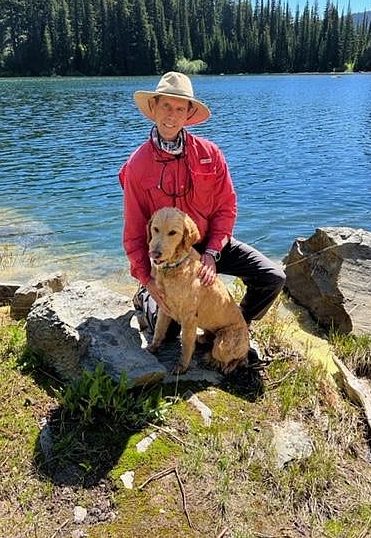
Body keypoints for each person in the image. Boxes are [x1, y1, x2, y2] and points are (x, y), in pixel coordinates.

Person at [119, 71, 286, 360]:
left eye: (179, 108)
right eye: (166, 106)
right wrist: (148, 281)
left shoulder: (210, 153)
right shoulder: (136, 166)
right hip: (171, 256)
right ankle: (144, 299)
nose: (171, 115)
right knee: (171, 328)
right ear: (154, 108)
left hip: (210, 246)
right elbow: (135, 234)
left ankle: (233, 327)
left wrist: (210, 253)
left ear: (188, 114)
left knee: (273, 277)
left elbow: (226, 208)